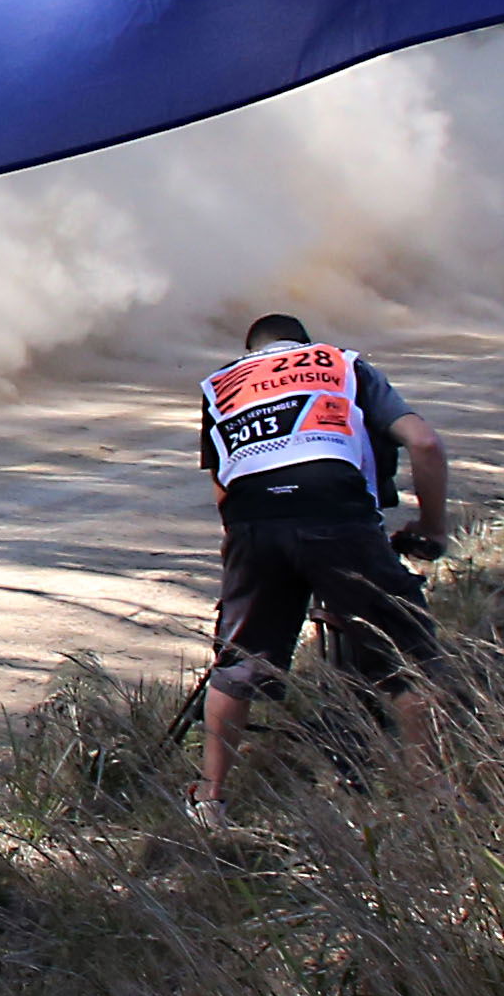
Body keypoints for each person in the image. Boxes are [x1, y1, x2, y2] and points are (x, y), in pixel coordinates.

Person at [189, 313, 449, 826]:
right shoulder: (342, 364)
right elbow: (424, 443)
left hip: (253, 525)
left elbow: (225, 481)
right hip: (337, 516)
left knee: (241, 661)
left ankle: (210, 799)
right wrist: (433, 527)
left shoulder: (223, 383)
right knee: (406, 653)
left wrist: (249, 553)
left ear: (251, 351)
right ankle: (431, 797)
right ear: (302, 345)